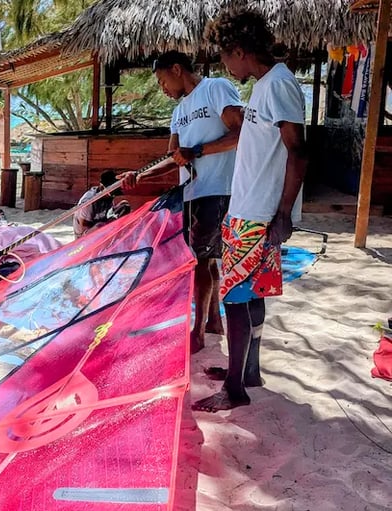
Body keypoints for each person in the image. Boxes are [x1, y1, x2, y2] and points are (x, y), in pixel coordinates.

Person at [192, 9, 307, 412]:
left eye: (225, 56)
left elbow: (297, 151)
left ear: (239, 50)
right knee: (250, 293)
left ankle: (235, 390)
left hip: (258, 212)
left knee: (236, 300)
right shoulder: (264, 86)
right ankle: (247, 371)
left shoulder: (279, 85)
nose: (225, 65)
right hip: (247, 208)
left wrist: (284, 212)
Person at [123, 51, 243, 354]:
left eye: (164, 80)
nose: (163, 88)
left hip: (219, 187)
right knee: (206, 257)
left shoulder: (215, 88)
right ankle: (214, 320)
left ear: (178, 69)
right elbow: (173, 157)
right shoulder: (179, 112)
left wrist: (198, 152)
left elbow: (241, 133)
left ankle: (198, 332)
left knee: (200, 260)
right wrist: (139, 175)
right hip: (193, 191)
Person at [73, 170, 130, 239]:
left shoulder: (108, 197)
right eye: (112, 192)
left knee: (125, 206)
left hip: (102, 225)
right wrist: (108, 225)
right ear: (103, 187)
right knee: (99, 225)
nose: (113, 196)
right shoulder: (89, 201)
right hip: (85, 237)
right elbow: (84, 227)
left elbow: (107, 214)